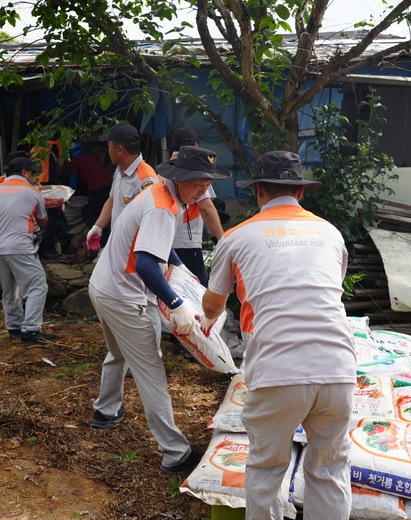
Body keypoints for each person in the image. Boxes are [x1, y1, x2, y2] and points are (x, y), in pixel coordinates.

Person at [200, 151, 356, 520]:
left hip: (277, 371)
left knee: (267, 469)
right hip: (337, 369)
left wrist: (204, 315)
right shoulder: (331, 233)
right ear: (300, 192)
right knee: (330, 469)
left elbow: (212, 306)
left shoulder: (236, 237)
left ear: (258, 191)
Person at [88, 145, 230, 474]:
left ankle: (105, 411)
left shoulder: (161, 193)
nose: (203, 190)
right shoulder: (162, 208)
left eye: (207, 183)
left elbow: (158, 246)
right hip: (123, 296)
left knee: (118, 353)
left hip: (103, 286)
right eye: (198, 183)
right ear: (179, 178)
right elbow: (145, 263)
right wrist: (176, 303)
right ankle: (175, 453)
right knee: (151, 371)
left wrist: (179, 267)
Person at [0, 153, 57, 347]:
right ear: (24, 172)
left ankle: (14, 327)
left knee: (10, 289)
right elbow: (43, 221)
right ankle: (31, 330)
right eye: (32, 173)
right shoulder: (32, 191)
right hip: (20, 246)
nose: (33, 177)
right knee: (37, 285)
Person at [85, 122, 158, 251]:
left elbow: (153, 218)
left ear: (119, 149)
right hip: (118, 245)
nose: (108, 151)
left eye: (109, 147)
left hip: (135, 249)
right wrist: (98, 227)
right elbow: (112, 200)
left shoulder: (145, 178)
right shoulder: (119, 170)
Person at [169, 126, 225, 285]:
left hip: (167, 242)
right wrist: (222, 240)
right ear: (195, 145)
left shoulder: (164, 170)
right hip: (186, 244)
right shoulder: (194, 169)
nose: (203, 189)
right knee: (195, 290)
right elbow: (206, 208)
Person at [67, 143, 112, 229]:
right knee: (105, 216)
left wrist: (65, 195)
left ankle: (96, 237)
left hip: (98, 190)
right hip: (110, 187)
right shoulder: (92, 157)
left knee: (94, 219)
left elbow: (73, 185)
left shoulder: (75, 160)